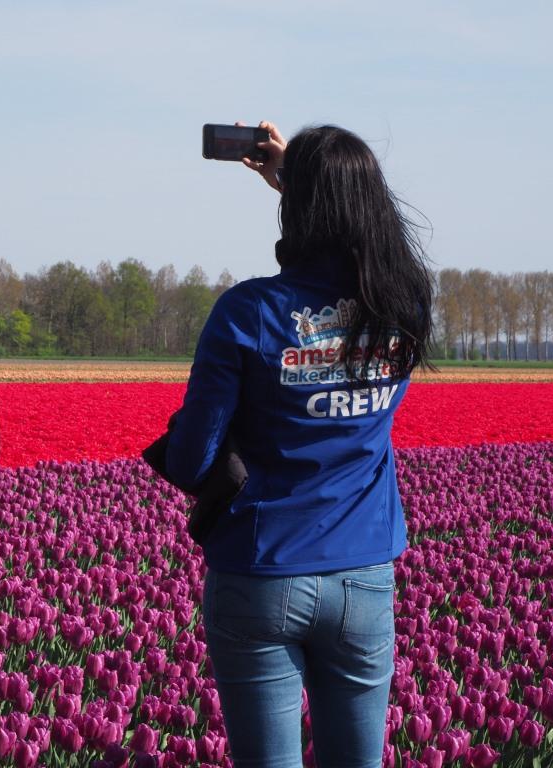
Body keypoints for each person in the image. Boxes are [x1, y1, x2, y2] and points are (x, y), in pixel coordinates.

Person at [166, 122, 433, 767]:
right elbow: (365, 226)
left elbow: (191, 462)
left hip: (262, 570)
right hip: (364, 573)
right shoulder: (401, 306)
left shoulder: (249, 311)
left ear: (297, 206)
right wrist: (306, 178)